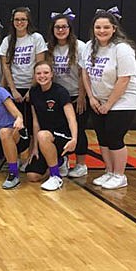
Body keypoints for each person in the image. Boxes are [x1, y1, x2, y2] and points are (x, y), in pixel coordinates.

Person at [80, 9, 136, 190]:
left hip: (123, 100)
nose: (102, 31)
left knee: (115, 137)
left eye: (106, 27)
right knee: (102, 137)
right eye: (98, 27)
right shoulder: (90, 46)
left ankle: (119, 175)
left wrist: (109, 104)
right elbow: (85, 73)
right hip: (99, 99)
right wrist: (91, 97)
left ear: (114, 28)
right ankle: (109, 171)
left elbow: (124, 79)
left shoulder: (122, 49)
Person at [46, 9, 89, 178]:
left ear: (70, 28)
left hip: (75, 95)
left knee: (78, 129)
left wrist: (81, 96)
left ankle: (81, 164)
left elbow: (82, 73)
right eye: (57, 27)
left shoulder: (80, 46)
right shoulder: (50, 47)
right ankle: (63, 160)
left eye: (64, 27)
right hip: (57, 95)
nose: (61, 30)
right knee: (59, 130)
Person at [25, 61, 78, 191]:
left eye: (46, 73)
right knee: (32, 176)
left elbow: (72, 119)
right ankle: (59, 162)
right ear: (35, 75)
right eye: (39, 73)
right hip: (45, 139)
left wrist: (74, 139)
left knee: (43, 135)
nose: (42, 76)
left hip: (63, 137)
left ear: (52, 74)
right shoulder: (34, 92)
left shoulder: (60, 92)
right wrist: (35, 148)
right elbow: (35, 122)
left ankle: (56, 176)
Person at [0, 7, 46, 142]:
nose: (20, 22)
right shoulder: (7, 41)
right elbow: (6, 67)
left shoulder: (36, 38)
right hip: (15, 89)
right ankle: (17, 155)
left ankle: (33, 154)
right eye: (17, 19)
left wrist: (31, 89)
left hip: (34, 86)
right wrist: (13, 90)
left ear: (28, 21)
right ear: (12, 21)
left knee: (33, 124)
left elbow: (40, 65)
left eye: (23, 19)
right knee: (16, 125)